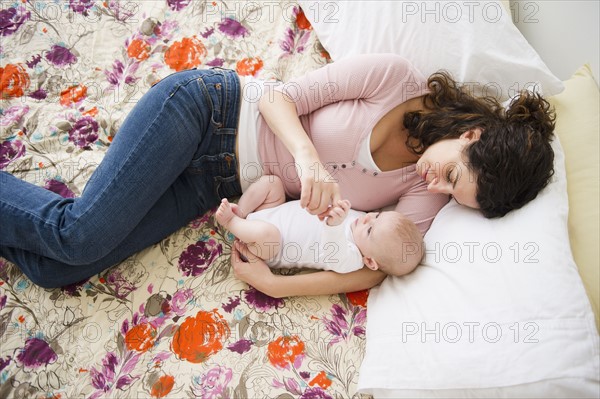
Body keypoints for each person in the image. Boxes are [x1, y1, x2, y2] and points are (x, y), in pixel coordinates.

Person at [0, 53, 556, 291]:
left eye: (452, 196)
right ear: (472, 134)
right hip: (208, 111)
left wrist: (275, 285)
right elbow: (278, 100)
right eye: (452, 176)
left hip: (216, 186)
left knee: (59, 271)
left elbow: (374, 271)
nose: (435, 186)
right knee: (76, 237)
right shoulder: (396, 79)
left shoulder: (423, 197)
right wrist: (309, 161)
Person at [215, 175, 423, 284]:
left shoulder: (352, 259)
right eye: (377, 216)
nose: (368, 219)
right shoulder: (360, 221)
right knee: (273, 183)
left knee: (269, 235)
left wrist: (334, 226)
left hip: (267, 248)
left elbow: (333, 253)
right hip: (272, 211)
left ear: (370, 261)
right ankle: (242, 212)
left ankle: (231, 223)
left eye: (370, 230)